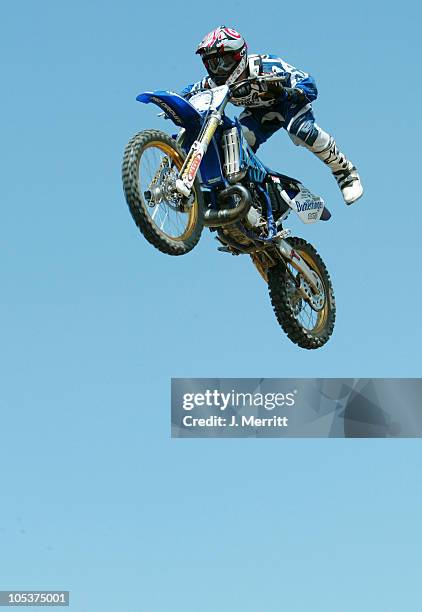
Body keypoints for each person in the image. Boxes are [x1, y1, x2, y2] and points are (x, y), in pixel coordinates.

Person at [181, 26, 363, 205]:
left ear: (239, 55)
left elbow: (309, 83)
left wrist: (286, 93)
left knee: (301, 131)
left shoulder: (266, 66)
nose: (218, 69)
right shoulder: (211, 83)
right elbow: (189, 92)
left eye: (223, 61)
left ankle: (344, 171)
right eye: (212, 63)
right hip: (258, 114)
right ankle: (246, 194)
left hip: (287, 104)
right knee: (235, 140)